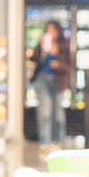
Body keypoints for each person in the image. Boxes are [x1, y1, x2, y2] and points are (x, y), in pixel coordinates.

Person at [28, 21, 70, 152]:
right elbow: (33, 59)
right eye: (48, 30)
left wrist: (58, 65)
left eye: (53, 30)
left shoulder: (63, 46)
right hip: (42, 80)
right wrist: (39, 47)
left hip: (58, 81)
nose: (50, 33)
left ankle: (59, 140)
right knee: (44, 112)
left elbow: (70, 65)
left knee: (58, 114)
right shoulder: (43, 45)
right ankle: (45, 141)